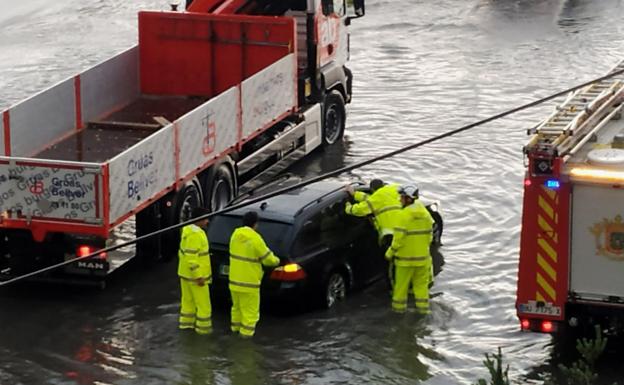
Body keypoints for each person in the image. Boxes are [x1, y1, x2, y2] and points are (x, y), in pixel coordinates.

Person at [228, 211, 280, 338]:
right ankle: (245, 341)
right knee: (250, 315)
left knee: (237, 310)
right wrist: (277, 261)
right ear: (255, 224)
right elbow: (268, 259)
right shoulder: (255, 239)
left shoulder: (235, 235)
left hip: (234, 282)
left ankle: (234, 332)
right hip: (249, 284)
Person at [385, 185, 434, 314]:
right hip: (423, 260)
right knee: (421, 289)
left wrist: (389, 253)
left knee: (400, 290)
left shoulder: (403, 215)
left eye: (402, 197)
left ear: (408, 199)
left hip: (404, 262)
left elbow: (398, 239)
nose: (400, 199)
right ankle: (423, 312)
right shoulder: (425, 213)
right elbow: (430, 236)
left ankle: (398, 314)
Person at [178, 206, 213, 335]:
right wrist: (199, 276)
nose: (207, 222)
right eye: (206, 219)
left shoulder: (187, 231)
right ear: (200, 219)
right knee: (204, 306)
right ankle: (203, 332)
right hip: (196, 278)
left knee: (187, 304)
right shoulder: (196, 234)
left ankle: (186, 327)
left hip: (185, 275)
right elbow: (192, 258)